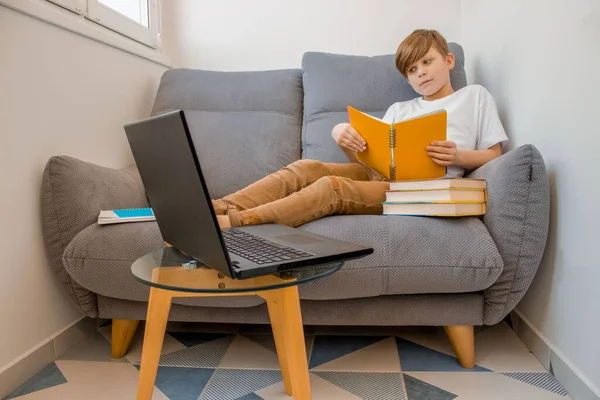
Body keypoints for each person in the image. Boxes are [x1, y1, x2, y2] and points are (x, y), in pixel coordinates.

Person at [214, 29, 508, 228]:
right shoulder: (400, 110)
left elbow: (495, 154)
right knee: (305, 168)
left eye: (427, 62)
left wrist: (459, 157)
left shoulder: (474, 96)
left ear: (448, 60)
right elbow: (364, 162)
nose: (421, 73)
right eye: (412, 70)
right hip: (379, 175)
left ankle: (235, 223)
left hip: (418, 188)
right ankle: (216, 208)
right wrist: (343, 137)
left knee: (331, 188)